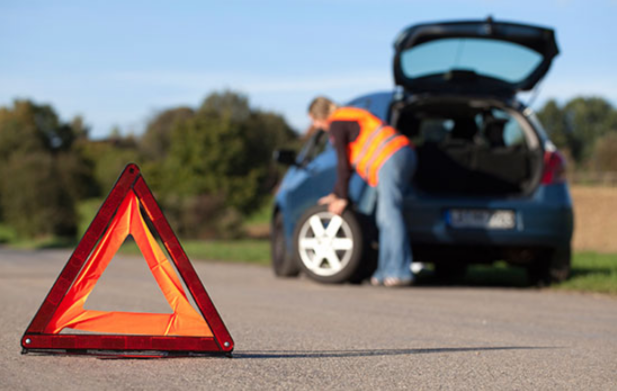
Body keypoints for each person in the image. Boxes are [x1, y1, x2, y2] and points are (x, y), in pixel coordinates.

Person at [308, 96, 417, 287]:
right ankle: (384, 272)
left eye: (314, 121)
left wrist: (341, 197)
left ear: (319, 115)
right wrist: (337, 194)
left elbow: (342, 163)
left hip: (390, 156)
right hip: (400, 154)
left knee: (389, 214)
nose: (316, 126)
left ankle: (400, 271)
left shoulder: (336, 122)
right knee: (384, 216)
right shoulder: (348, 117)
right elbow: (348, 166)